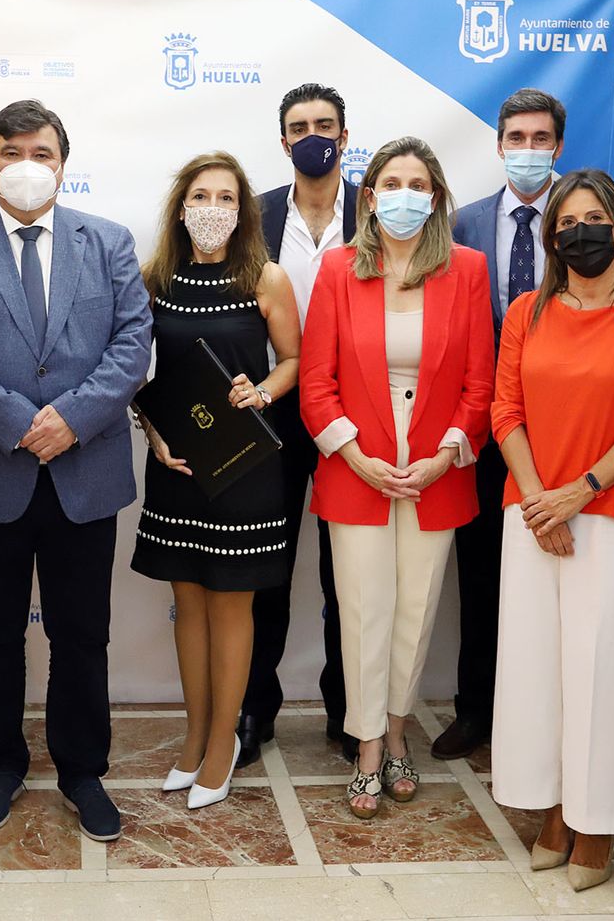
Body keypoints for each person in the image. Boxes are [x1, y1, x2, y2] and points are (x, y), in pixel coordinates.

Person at [0, 99, 151, 842]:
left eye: (40, 151)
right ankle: (1, 761)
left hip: (84, 471)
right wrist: (21, 422)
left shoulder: (109, 242)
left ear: (61, 161)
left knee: (83, 632)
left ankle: (83, 770)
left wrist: (70, 417)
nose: (25, 165)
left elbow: (131, 345)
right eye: (11, 151)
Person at [489, 169, 614, 892]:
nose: (580, 231)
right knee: (537, 665)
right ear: (552, 236)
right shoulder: (525, 312)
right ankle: (552, 806)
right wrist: (541, 499)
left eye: (593, 218)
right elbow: (504, 412)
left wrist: (579, 490)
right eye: (566, 221)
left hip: (611, 512)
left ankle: (597, 817)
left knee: (601, 668)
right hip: (532, 510)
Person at [301, 137, 495, 819]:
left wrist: (446, 454)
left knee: (415, 611)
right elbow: (317, 385)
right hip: (359, 470)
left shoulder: (467, 269)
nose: (405, 193)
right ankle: (366, 746)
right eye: (392, 181)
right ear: (370, 195)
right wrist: (355, 454)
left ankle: (398, 726)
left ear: (436, 196)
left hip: (436, 470)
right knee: (362, 611)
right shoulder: (335, 271)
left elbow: (481, 382)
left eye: (419, 182)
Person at [131, 152, 301, 809]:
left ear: (243, 211)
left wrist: (260, 391)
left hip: (245, 467)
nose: (212, 208)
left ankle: (224, 743)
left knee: (232, 604)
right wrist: (152, 431)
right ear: (181, 207)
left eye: (225, 197)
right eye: (200, 195)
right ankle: (194, 733)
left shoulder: (267, 277)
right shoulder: (156, 278)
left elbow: (293, 359)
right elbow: (134, 368)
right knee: (189, 604)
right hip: (175, 464)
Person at [439, 88, 565, 763]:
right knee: (480, 573)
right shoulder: (464, 223)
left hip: (566, 432)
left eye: (539, 137)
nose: (526, 149)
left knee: (558, 574)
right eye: (515, 137)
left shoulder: (580, 221)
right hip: (485, 433)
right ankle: (475, 710)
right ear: (497, 145)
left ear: (558, 146)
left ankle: (544, 715)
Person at [242, 82, 360, 768]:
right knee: (269, 569)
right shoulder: (254, 216)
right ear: (282, 139)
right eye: (298, 125)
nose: (312, 134)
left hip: (357, 411)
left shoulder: (377, 209)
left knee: (350, 571)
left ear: (345, 136)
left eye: (325, 124)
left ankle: (349, 710)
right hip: (275, 407)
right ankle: (257, 706)